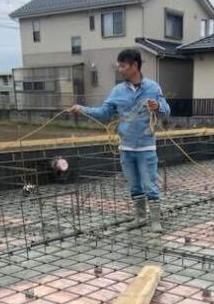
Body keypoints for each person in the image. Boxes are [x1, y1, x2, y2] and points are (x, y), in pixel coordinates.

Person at [71, 48, 170, 231]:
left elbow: (166, 110)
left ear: (135, 66)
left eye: (123, 66)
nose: (120, 69)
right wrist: (83, 109)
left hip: (146, 148)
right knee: (134, 186)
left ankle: (155, 221)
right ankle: (140, 217)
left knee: (150, 185)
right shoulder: (117, 91)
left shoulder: (153, 88)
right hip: (126, 148)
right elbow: (104, 112)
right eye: (120, 66)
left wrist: (158, 106)